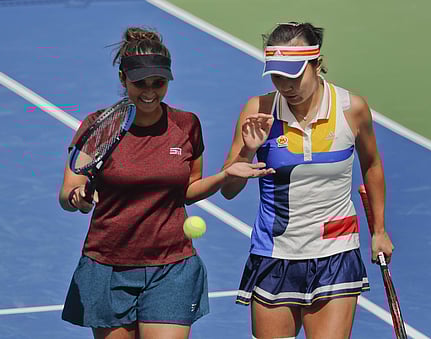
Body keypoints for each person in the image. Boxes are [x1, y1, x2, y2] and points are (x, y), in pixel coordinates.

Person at [58, 26, 274, 339]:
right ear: (123, 79)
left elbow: (187, 190)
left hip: (172, 266)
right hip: (108, 266)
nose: (150, 91)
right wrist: (77, 198)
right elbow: (68, 194)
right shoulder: (99, 126)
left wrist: (226, 175)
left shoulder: (187, 125)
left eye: (158, 83)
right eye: (139, 83)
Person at [220, 22, 395, 339]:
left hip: (335, 252)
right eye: (277, 76)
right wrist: (246, 152)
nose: (285, 85)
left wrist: (379, 231)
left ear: (317, 64)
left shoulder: (351, 110)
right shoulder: (258, 110)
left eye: (294, 75)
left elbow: (372, 164)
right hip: (275, 253)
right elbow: (229, 191)